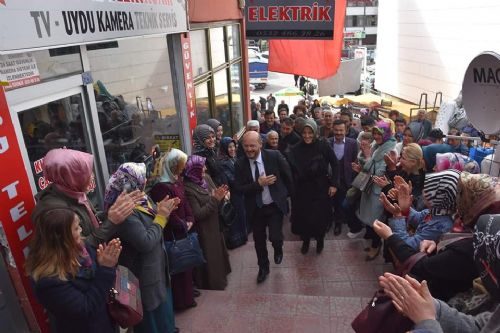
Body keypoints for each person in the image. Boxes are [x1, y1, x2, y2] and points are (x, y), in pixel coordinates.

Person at [378, 214, 500, 333]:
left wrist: (426, 323)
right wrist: (433, 307)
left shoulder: (464, 251)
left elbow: (422, 265)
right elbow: (479, 326)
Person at [104, 163, 179, 333]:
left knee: (165, 319)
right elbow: (145, 242)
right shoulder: (126, 212)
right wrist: (161, 217)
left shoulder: (141, 199)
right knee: (152, 325)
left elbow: (154, 226)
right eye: (142, 178)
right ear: (133, 183)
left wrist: (162, 211)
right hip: (144, 280)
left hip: (157, 273)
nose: (146, 180)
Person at [26, 207, 121, 333]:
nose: (81, 230)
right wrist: (106, 268)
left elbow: (95, 278)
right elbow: (85, 309)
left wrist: (101, 262)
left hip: (105, 322)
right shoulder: (47, 281)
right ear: (61, 237)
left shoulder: (81, 247)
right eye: (76, 228)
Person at [32, 148, 142, 247]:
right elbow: (79, 250)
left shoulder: (72, 191)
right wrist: (111, 222)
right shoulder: (56, 213)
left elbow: (87, 222)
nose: (93, 176)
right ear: (71, 177)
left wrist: (114, 211)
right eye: (86, 173)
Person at [234, 131, 293, 283]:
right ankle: (263, 268)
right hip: (255, 209)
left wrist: (284, 194)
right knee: (259, 240)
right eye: (245, 146)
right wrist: (258, 184)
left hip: (274, 206)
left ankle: (278, 248)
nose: (249, 149)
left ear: (260, 143)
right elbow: (239, 188)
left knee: (275, 236)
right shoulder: (240, 163)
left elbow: (288, 176)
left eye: (252, 146)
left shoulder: (274, 156)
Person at [149, 149, 197, 310]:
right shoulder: (161, 187)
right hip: (172, 234)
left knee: (187, 265)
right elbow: (167, 212)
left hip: (183, 230)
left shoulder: (176, 180)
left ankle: (188, 296)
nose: (183, 168)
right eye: (180, 165)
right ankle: (181, 301)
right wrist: (183, 224)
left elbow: (185, 203)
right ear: (172, 165)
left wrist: (190, 219)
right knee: (178, 267)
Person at [288, 119, 337, 254]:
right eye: (304, 132)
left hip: (321, 188)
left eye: (310, 132)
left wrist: (334, 184)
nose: (307, 135)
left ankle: (320, 240)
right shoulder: (296, 148)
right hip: (303, 189)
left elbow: (335, 164)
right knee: (304, 217)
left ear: (315, 132)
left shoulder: (323, 146)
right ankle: (306, 241)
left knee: (319, 217)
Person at [379, 170, 460, 250]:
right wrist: (405, 208)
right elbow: (418, 217)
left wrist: (398, 218)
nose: (423, 191)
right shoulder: (436, 212)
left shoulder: (440, 227)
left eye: (429, 189)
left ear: (439, 197)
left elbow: (406, 247)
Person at [184, 155, 231, 290]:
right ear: (193, 170)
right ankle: (212, 284)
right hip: (204, 231)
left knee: (218, 255)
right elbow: (198, 214)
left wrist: (222, 195)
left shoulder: (206, 178)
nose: (205, 168)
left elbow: (215, 194)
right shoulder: (188, 188)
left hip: (215, 225)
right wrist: (215, 199)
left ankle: (222, 277)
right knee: (210, 259)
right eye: (201, 167)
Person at [354, 119, 397, 261]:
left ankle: (376, 246)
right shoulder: (377, 146)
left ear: (386, 134)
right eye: (375, 134)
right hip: (370, 188)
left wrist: (367, 158)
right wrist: (364, 159)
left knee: (376, 221)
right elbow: (368, 164)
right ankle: (374, 244)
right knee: (370, 220)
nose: (377, 137)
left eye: (379, 134)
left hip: (379, 191)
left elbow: (379, 173)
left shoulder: (390, 149)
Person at [328, 120, 359, 236]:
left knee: (341, 203)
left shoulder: (352, 143)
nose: (338, 133)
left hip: (345, 180)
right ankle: (329, 221)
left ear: (346, 130)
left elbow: (355, 160)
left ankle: (338, 223)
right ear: (333, 130)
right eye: (336, 130)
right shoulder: (328, 142)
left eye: (341, 130)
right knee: (330, 202)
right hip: (330, 180)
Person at [219, 137, 248, 249]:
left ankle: (242, 237)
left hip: (239, 192)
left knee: (241, 215)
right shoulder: (223, 162)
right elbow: (231, 179)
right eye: (229, 147)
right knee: (235, 217)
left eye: (233, 147)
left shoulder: (234, 158)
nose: (232, 149)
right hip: (233, 194)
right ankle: (236, 240)